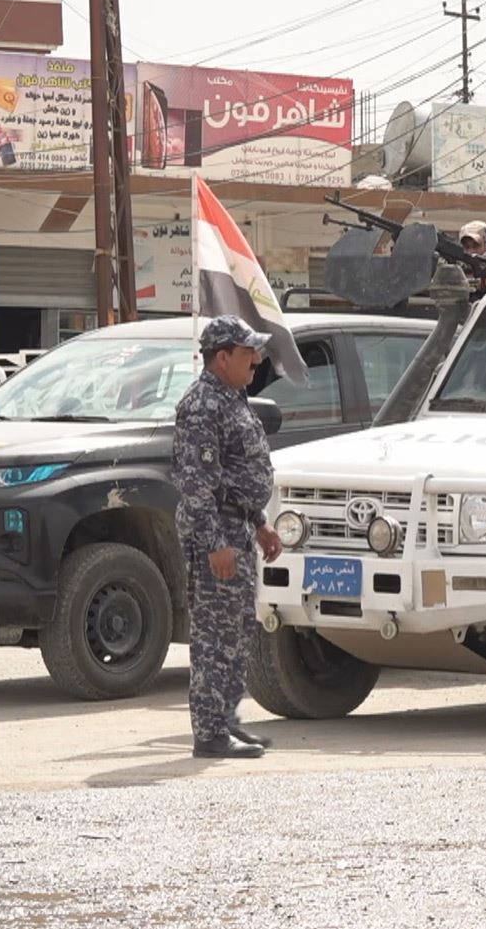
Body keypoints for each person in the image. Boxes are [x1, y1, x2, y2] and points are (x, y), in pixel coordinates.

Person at [174, 315, 284, 760]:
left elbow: (234, 476)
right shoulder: (202, 405)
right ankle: (210, 733)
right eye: (247, 353)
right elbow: (197, 483)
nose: (256, 361)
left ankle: (224, 725)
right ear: (222, 358)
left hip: (237, 528)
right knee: (214, 638)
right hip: (216, 534)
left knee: (236, 633)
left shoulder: (231, 397)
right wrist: (215, 542)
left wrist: (258, 523)